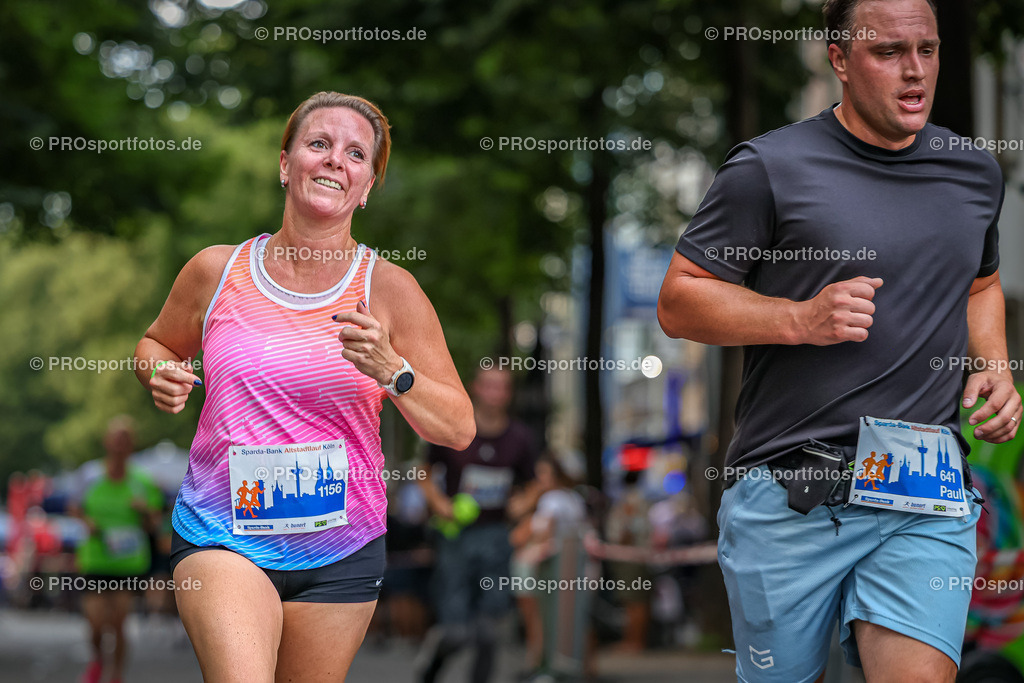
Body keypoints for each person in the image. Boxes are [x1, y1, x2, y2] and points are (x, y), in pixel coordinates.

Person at [656, 1, 1022, 680]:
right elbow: (679, 301)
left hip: (924, 491)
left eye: (928, 50)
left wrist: (995, 366)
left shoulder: (972, 173)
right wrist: (798, 318)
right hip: (792, 490)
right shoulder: (769, 167)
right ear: (839, 59)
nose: (915, 72)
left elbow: (981, 282)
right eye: (888, 53)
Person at [134, 91, 475, 681]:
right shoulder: (217, 271)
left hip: (340, 549)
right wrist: (159, 372)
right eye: (319, 144)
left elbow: (458, 427)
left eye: (355, 154)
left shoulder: (390, 290)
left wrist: (394, 370)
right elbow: (157, 343)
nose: (334, 160)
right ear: (286, 163)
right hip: (222, 535)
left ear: (367, 186)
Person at [416, 366, 539, 683]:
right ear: (476, 389)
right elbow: (424, 472)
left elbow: (535, 484)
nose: (495, 394)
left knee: (488, 631)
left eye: (502, 388)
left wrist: (524, 507)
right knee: (456, 632)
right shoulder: (455, 431)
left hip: (497, 538)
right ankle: (431, 668)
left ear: (508, 394)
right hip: (457, 538)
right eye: (489, 386)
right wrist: (439, 503)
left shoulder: (520, 438)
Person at [69, 416, 163, 683]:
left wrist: (145, 511)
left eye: (126, 440)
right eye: (117, 439)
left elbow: (155, 521)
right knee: (97, 624)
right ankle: (98, 660)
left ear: (132, 445)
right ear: (107, 442)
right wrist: (86, 521)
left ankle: (117, 674)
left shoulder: (142, 481)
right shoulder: (89, 475)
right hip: (96, 559)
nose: (121, 445)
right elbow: (73, 506)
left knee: (119, 623)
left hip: (129, 562)